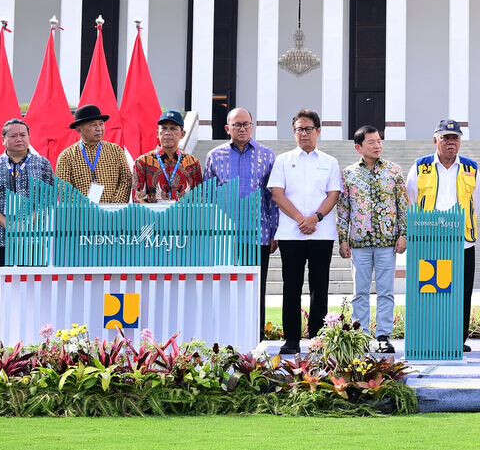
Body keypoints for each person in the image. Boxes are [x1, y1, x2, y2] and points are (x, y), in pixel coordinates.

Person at [267, 108, 342, 355]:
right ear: (294, 132)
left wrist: (316, 218)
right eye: (299, 129)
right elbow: (277, 193)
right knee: (292, 287)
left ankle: (318, 340)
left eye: (308, 129)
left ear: (318, 132)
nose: (304, 134)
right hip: (291, 233)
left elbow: (334, 194)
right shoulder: (283, 160)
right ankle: (291, 339)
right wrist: (301, 219)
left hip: (321, 233)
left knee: (319, 287)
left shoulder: (329, 162)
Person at [406, 119, 480, 351]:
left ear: (460, 141)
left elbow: (475, 203)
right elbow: (412, 198)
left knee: (461, 291)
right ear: (435, 140)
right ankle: (431, 335)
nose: (450, 142)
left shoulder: (471, 168)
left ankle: (458, 339)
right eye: (445, 138)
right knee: (431, 290)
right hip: (430, 241)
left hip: (462, 242)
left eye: (455, 138)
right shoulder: (420, 167)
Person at [203, 107, 279, 340]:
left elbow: (273, 197)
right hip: (225, 236)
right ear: (227, 128)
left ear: (252, 126)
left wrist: (275, 231)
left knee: (256, 288)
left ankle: (256, 336)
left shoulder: (267, 155)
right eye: (237, 125)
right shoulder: (214, 156)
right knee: (225, 287)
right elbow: (208, 197)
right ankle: (225, 335)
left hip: (259, 233)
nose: (243, 128)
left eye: (247, 124)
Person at [0, 117, 54, 338]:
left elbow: (49, 199)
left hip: (34, 241)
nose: (19, 139)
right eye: (13, 135)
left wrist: (31, 222)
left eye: (23, 135)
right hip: (0, 241)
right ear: (4, 140)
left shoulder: (43, 165)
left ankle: (34, 338)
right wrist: (10, 224)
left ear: (29, 138)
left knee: (33, 291)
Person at [336, 125, 408, 353]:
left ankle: (384, 336)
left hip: (387, 242)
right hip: (359, 243)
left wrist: (403, 234)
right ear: (359, 147)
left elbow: (403, 205)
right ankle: (361, 336)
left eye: (379, 141)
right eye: (371, 142)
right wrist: (343, 239)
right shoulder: (348, 174)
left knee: (386, 291)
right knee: (360, 292)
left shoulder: (394, 171)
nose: (378, 145)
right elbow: (344, 208)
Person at [54, 104, 132, 203]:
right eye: (93, 125)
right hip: (81, 213)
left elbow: (126, 179)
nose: (99, 128)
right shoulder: (67, 156)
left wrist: (114, 206)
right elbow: (63, 189)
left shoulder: (116, 150)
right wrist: (84, 208)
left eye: (101, 124)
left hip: (112, 213)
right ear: (79, 129)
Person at [133, 109, 204, 203]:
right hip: (153, 216)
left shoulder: (192, 163)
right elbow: (137, 199)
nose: (167, 132)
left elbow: (199, 197)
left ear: (182, 134)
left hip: (183, 216)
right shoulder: (143, 162)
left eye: (173, 128)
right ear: (157, 133)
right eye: (164, 128)